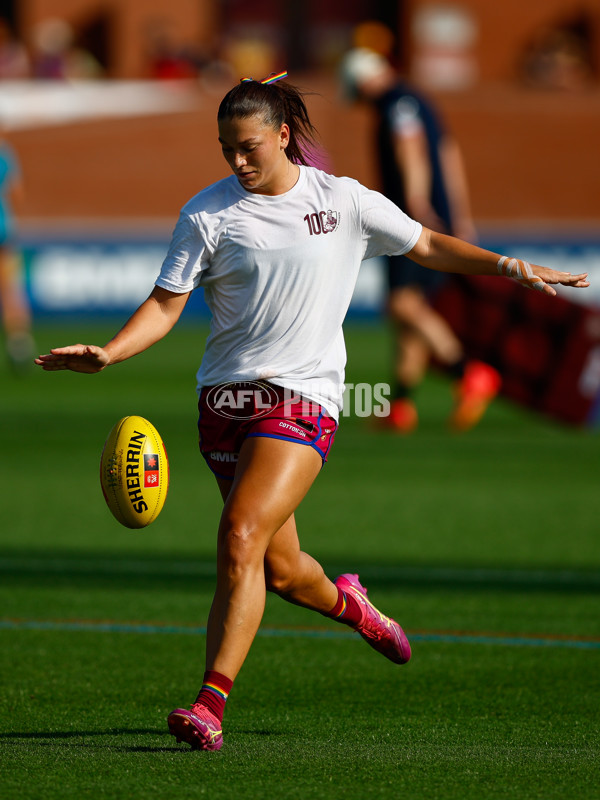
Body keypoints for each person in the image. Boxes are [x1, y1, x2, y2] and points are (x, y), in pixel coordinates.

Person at [35, 74, 588, 751]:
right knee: (281, 570)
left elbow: (427, 244)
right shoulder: (207, 214)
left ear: (284, 136)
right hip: (224, 405)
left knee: (239, 534)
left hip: (304, 401)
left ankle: (209, 704)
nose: (237, 163)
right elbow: (165, 304)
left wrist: (510, 265)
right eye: (225, 150)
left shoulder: (345, 200)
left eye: (249, 148)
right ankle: (350, 602)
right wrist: (112, 352)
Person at [340, 46, 501, 432]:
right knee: (409, 306)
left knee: (399, 305)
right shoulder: (418, 100)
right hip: (435, 216)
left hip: (411, 221)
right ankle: (401, 406)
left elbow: (409, 147)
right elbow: (448, 153)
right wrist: (459, 215)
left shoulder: (396, 104)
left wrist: (415, 201)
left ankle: (469, 372)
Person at [0, 127, 34, 372]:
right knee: (10, 289)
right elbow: (17, 194)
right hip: (3, 231)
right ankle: (19, 343)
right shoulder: (5, 153)